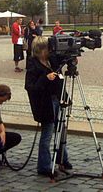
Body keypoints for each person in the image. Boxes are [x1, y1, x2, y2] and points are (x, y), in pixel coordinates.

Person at [25, 36, 72, 177]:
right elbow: (30, 87)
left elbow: (64, 62)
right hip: (45, 104)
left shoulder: (52, 60)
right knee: (47, 135)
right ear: (40, 50)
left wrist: (72, 59)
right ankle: (44, 166)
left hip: (57, 99)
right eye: (47, 47)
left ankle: (62, 158)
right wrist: (45, 79)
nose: (51, 49)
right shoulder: (33, 65)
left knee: (61, 131)